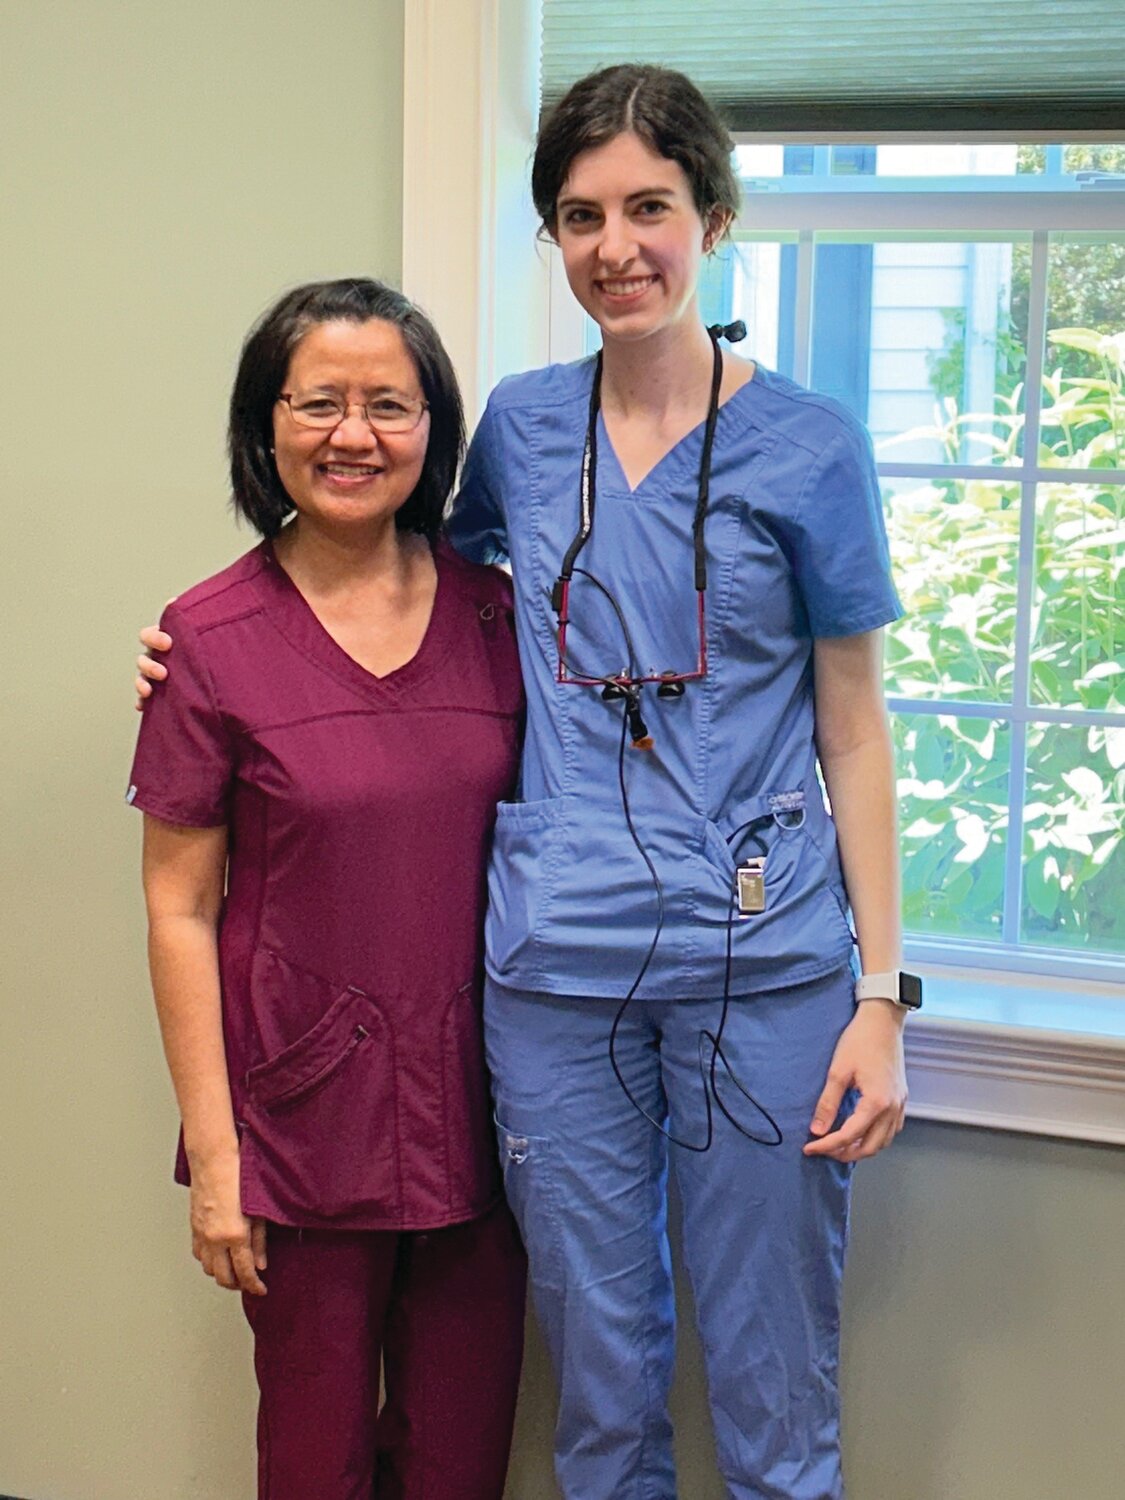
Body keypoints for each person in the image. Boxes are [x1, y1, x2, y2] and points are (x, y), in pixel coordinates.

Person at [137, 65, 912, 1500]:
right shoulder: (523, 428)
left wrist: (880, 992)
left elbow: (855, 730)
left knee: (770, 1366)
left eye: (649, 208)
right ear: (551, 237)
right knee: (599, 1375)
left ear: (714, 216)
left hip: (763, 958)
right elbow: (402, 578)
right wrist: (211, 648)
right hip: (557, 971)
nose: (616, 245)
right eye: (580, 213)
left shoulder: (812, 448)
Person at [127, 278, 526, 1500]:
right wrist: (220, 1157)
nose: (354, 434)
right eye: (320, 403)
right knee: (314, 1462)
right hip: (301, 1128)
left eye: (389, 405)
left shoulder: (502, 616)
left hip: (493, 1112)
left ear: (433, 431)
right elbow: (179, 908)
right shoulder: (207, 639)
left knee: (461, 1458)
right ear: (268, 426)